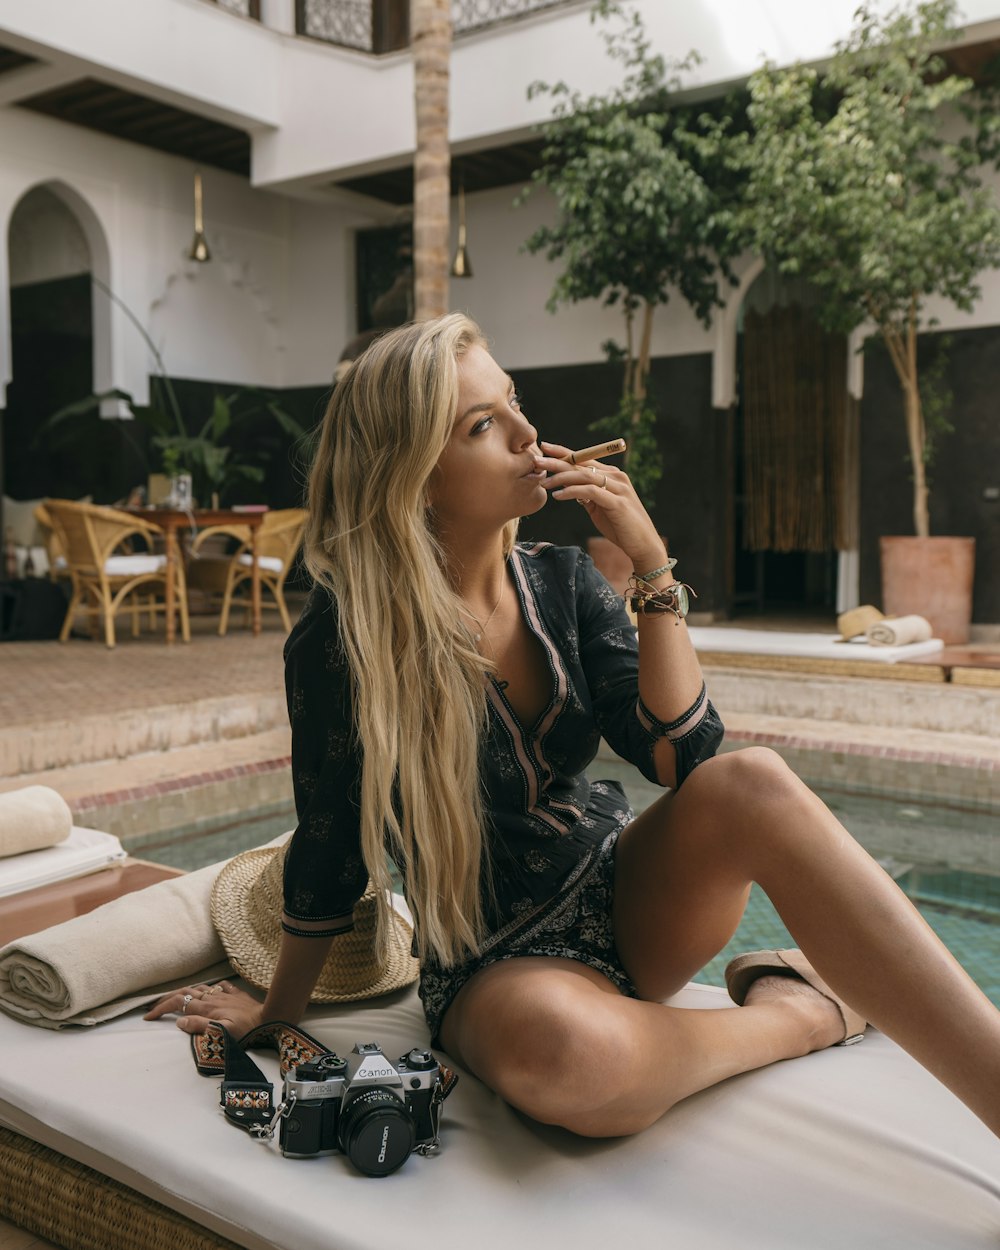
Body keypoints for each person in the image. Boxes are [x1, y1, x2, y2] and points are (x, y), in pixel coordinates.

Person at [147, 313, 1000, 1140]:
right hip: (497, 964)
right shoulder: (345, 638)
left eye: (515, 401)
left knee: (755, 780)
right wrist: (276, 1010)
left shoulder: (561, 582)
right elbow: (329, 842)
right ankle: (801, 1012)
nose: (528, 434)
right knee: (573, 1061)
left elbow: (682, 757)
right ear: (412, 473)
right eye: (485, 424)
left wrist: (652, 568)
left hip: (625, 893)